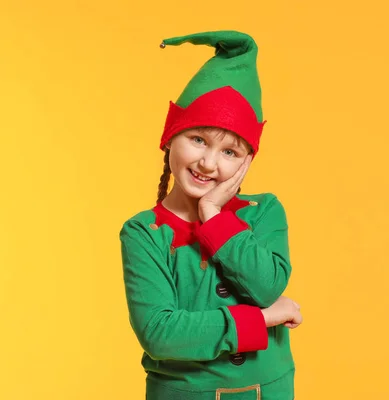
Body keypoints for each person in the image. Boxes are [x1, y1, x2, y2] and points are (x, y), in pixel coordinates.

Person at [120, 30, 303, 400]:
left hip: (270, 390)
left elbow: (267, 287)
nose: (208, 163)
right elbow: (160, 334)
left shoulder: (264, 211)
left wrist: (214, 216)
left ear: (247, 160)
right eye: (198, 140)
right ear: (171, 136)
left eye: (229, 152)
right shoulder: (143, 232)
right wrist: (262, 319)